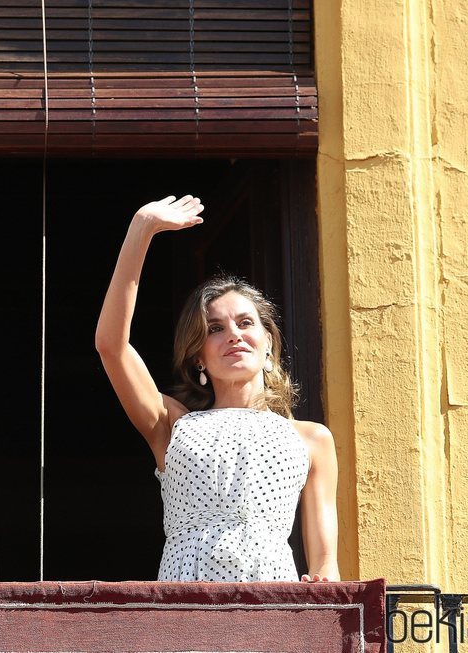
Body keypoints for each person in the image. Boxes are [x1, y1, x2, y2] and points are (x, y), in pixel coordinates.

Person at [95, 195, 338, 583]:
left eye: (246, 323)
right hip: (186, 602)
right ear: (198, 359)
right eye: (216, 329)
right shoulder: (173, 425)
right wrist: (141, 228)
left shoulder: (311, 439)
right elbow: (111, 346)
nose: (235, 336)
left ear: (268, 343)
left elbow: (326, 568)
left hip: (271, 603)